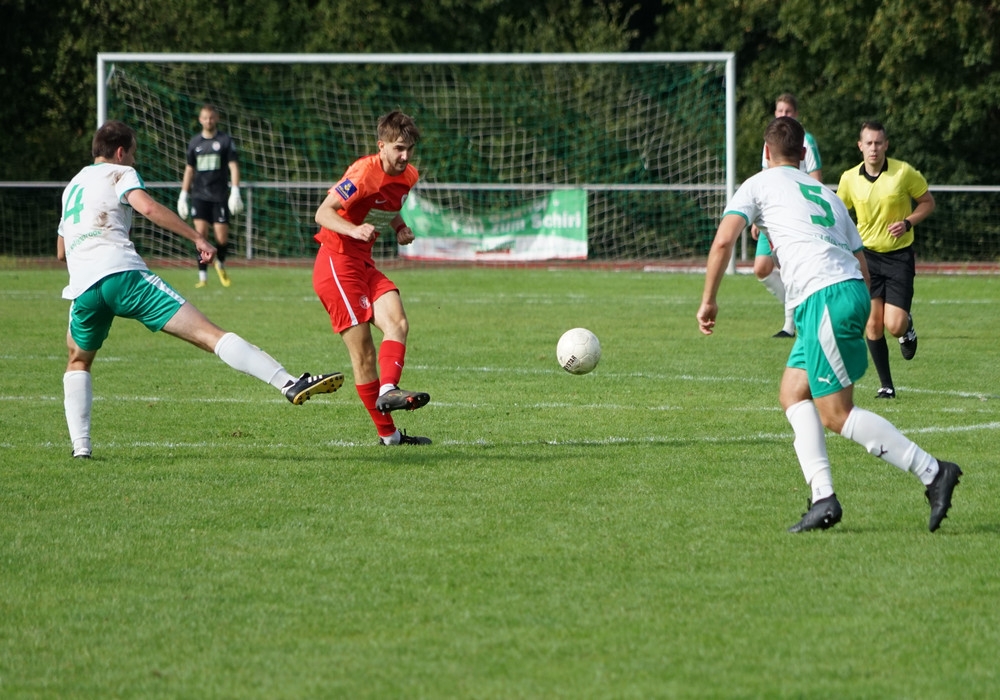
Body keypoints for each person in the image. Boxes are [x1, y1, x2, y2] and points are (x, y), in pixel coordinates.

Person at [697, 116, 962, 533]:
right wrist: (854, 309)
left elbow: (724, 241)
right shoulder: (826, 192)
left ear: (767, 153)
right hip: (843, 293)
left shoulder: (758, 183)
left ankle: (933, 472)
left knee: (836, 413)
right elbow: (860, 261)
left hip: (824, 297)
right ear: (804, 154)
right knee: (792, 393)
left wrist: (709, 300)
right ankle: (823, 498)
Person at [58, 120, 344, 459]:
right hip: (123, 276)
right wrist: (196, 237)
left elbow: (61, 251)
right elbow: (147, 207)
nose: (133, 161)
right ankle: (288, 382)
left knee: (78, 360)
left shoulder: (72, 185)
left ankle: (81, 449)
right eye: (132, 154)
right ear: (120, 153)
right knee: (211, 335)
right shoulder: (120, 173)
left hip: (83, 286)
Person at [311, 110, 431, 446]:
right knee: (363, 353)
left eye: (408, 149)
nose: (404, 156)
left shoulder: (408, 176)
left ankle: (390, 390)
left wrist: (399, 226)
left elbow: (387, 205)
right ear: (382, 146)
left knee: (398, 322)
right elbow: (323, 212)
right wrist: (352, 229)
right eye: (398, 148)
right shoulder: (363, 172)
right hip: (336, 265)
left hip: (363, 263)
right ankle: (389, 436)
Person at [837, 120, 935, 399]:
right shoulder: (849, 179)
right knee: (872, 323)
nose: (873, 148)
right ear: (860, 146)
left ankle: (907, 327)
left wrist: (907, 222)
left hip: (898, 257)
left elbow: (928, 202)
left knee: (894, 325)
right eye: (868, 143)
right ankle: (886, 386)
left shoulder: (903, 172)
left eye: (878, 143)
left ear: (886, 145)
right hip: (866, 258)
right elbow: (839, 214)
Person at [753, 93, 824, 338]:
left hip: (795, 215)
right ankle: (796, 307)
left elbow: (816, 179)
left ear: (796, 114)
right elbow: (765, 179)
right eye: (780, 111)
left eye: (788, 112)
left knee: (792, 269)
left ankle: (790, 325)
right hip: (772, 214)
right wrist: (757, 214)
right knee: (762, 268)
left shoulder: (806, 141)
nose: (784, 115)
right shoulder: (770, 143)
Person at [177, 104, 243, 288]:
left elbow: (233, 166)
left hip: (220, 195)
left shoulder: (225, 140)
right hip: (199, 195)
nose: (208, 121)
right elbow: (189, 170)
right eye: (205, 118)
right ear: (200, 119)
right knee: (200, 236)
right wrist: (183, 194)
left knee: (221, 238)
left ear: (217, 118)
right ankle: (203, 276)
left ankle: (220, 262)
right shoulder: (194, 143)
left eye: (211, 117)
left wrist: (235, 191)